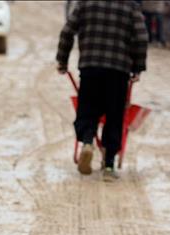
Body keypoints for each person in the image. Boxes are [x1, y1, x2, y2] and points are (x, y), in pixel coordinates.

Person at [56, 1, 147, 178]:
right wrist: (137, 67)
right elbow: (141, 38)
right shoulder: (130, 5)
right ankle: (109, 164)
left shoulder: (85, 3)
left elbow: (67, 31)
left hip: (90, 66)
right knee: (114, 115)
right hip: (119, 70)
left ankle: (87, 142)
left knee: (87, 109)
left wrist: (62, 60)